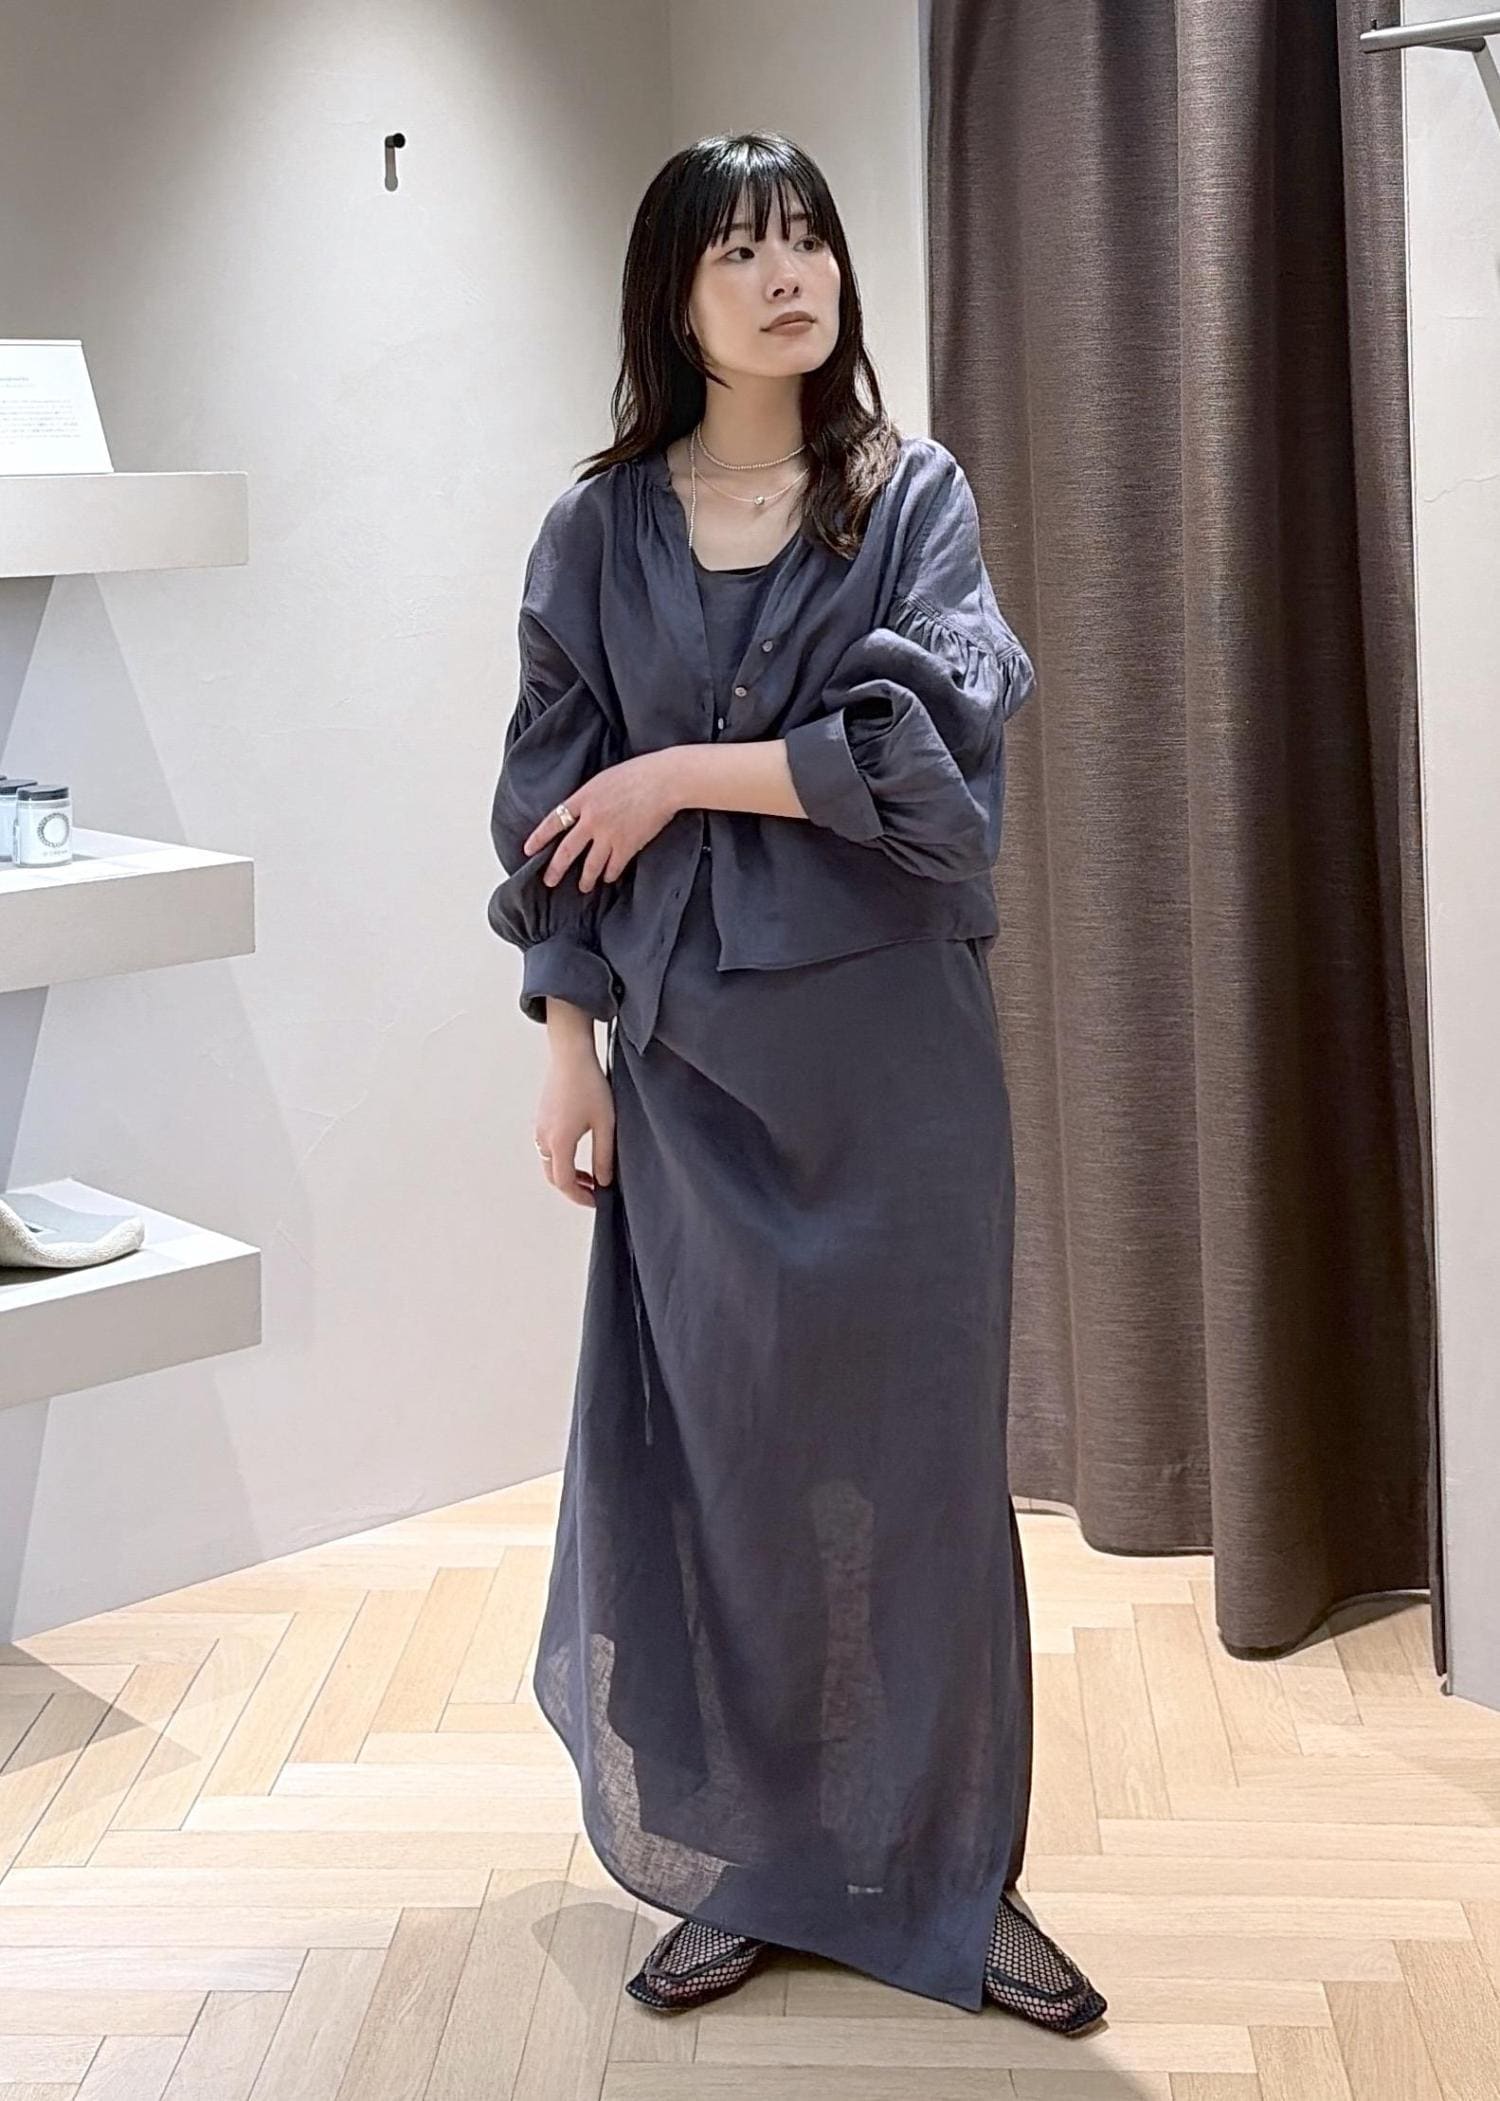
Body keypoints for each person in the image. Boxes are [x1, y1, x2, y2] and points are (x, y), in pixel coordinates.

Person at [487, 131, 1107, 2036]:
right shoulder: (596, 532)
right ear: (672, 297)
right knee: (728, 1472)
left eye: (810, 240)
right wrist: (570, 1051)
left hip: (899, 1068)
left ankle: (953, 1877)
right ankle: (746, 1866)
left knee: (921, 1482)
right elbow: (548, 805)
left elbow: (928, 761)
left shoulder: (911, 497)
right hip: (690, 1078)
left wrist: (681, 774)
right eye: (743, 250)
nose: (790, 276)